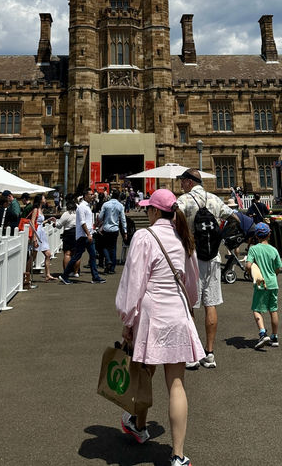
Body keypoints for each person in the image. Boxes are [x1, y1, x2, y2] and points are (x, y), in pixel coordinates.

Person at [115, 187, 202, 466]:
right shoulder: (183, 238)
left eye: (147, 209)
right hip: (176, 313)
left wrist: (127, 321)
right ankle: (178, 455)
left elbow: (133, 283)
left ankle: (140, 426)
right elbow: (192, 284)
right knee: (176, 383)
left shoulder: (144, 237)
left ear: (154, 211)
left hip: (151, 316)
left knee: (144, 375)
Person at [176, 167, 232, 370]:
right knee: (211, 304)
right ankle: (209, 354)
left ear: (190, 182)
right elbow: (233, 216)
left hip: (192, 258)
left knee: (189, 305)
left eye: (182, 181)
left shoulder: (183, 201)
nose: (181, 185)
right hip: (213, 258)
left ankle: (192, 354)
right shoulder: (216, 200)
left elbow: (171, 222)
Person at [245, 222, 282, 348]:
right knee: (273, 309)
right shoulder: (273, 250)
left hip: (261, 283)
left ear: (256, 235)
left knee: (257, 309)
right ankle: (275, 336)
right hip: (273, 282)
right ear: (269, 234)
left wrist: (250, 273)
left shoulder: (253, 249)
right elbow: (278, 268)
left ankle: (262, 333)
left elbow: (248, 265)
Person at [59, 189, 106, 284]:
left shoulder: (88, 206)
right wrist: (88, 234)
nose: (93, 196)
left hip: (88, 234)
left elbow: (87, 222)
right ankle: (65, 275)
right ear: (85, 195)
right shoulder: (81, 207)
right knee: (77, 256)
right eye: (91, 194)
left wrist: (93, 228)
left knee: (92, 256)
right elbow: (82, 222)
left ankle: (95, 277)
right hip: (83, 236)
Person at [97, 189, 128, 274]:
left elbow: (100, 217)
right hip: (115, 229)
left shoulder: (105, 204)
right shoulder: (120, 206)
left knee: (105, 246)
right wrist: (125, 231)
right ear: (118, 196)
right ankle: (112, 268)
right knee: (113, 247)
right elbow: (123, 219)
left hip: (106, 228)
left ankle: (107, 260)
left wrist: (100, 221)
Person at [55, 196, 79, 277]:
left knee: (67, 253)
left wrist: (54, 222)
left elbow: (59, 225)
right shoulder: (78, 213)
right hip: (77, 233)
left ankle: (67, 272)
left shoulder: (66, 214)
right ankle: (76, 272)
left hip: (69, 233)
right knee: (76, 254)